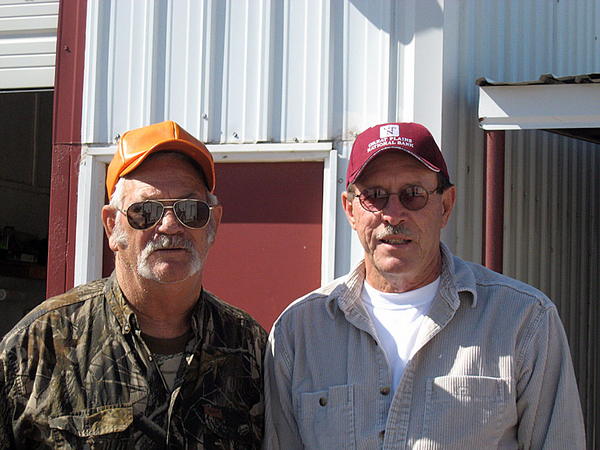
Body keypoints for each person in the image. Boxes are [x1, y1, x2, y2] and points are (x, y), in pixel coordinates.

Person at [263, 122, 586, 449]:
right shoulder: (298, 332)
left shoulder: (523, 321)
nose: (393, 214)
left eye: (413, 195)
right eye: (374, 196)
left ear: (445, 206)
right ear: (350, 210)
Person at [0, 121, 267, 448]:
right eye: (146, 211)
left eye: (190, 209)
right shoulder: (39, 345)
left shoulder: (252, 349)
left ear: (213, 223)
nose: (170, 225)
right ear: (112, 226)